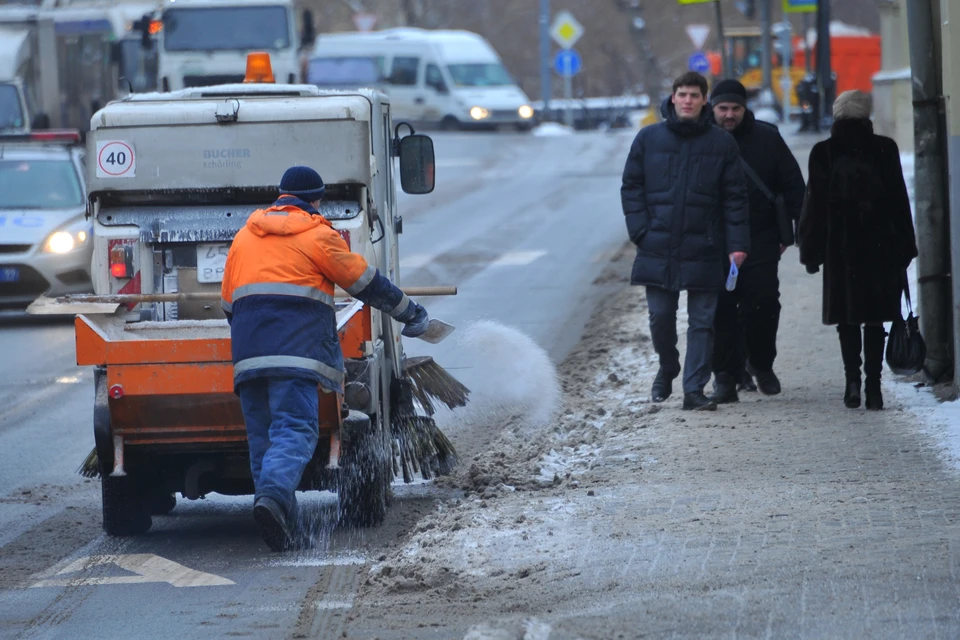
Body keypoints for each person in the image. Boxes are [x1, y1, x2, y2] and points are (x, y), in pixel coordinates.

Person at [221, 166, 431, 551]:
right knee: (295, 430)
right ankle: (271, 499)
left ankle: (282, 524)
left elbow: (227, 305)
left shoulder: (243, 238)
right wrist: (412, 314)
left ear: (281, 196)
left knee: (263, 440)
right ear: (316, 201)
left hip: (247, 355)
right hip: (297, 352)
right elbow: (365, 283)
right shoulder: (319, 235)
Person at [621, 71, 751, 411]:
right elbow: (631, 186)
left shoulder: (721, 143)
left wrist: (737, 244)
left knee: (702, 322)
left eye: (695, 95)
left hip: (706, 245)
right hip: (658, 244)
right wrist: (641, 231)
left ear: (704, 100)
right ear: (673, 98)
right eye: (683, 94)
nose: (689, 100)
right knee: (660, 317)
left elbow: (735, 198)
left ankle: (694, 389)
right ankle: (668, 366)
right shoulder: (648, 138)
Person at [798, 90, 918, 410]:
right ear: (867, 116)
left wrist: (810, 252)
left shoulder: (823, 152)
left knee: (847, 320)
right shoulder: (885, 149)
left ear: (837, 116)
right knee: (875, 320)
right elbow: (898, 201)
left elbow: (814, 207)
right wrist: (906, 246)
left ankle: (852, 381)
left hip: (841, 250)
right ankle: (874, 389)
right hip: (881, 248)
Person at [708, 80, 807, 403]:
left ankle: (761, 363)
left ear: (744, 108)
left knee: (763, 304)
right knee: (720, 309)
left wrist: (797, 233)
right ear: (712, 108)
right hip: (715, 239)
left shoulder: (767, 137)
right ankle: (723, 375)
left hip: (761, 236)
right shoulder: (702, 140)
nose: (729, 115)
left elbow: (793, 185)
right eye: (723, 108)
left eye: (735, 108)